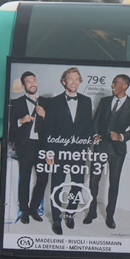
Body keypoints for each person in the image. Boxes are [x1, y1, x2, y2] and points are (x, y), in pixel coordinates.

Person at [43, 67, 94, 235]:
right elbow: (48, 129)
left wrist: (87, 144)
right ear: (64, 81)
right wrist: (50, 152)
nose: (73, 82)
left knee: (77, 184)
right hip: (59, 151)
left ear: (80, 81)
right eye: (70, 79)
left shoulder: (87, 101)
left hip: (78, 151)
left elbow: (88, 125)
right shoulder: (54, 102)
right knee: (57, 185)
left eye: (76, 79)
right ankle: (57, 219)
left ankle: (70, 213)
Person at [84, 74, 130, 228]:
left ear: (125, 85)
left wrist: (121, 136)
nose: (112, 85)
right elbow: (95, 122)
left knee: (114, 183)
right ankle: (92, 210)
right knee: (93, 179)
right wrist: (95, 135)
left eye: (115, 83)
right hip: (101, 146)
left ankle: (110, 216)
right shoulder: (104, 101)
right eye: (112, 82)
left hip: (117, 150)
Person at [9, 71, 48, 224]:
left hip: (42, 146)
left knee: (43, 178)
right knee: (24, 179)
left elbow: (54, 125)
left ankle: (34, 208)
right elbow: (11, 129)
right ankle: (24, 210)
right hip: (26, 146)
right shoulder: (17, 103)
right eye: (28, 81)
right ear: (24, 85)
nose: (32, 84)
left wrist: (44, 115)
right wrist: (21, 120)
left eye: (34, 80)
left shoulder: (46, 102)